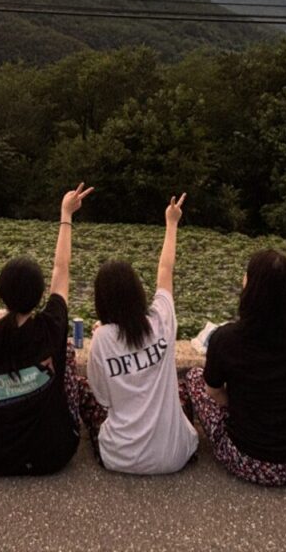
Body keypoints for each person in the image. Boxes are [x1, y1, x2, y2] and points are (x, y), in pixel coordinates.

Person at [185, 185, 286, 486]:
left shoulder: (226, 339)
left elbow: (215, 394)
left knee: (197, 380)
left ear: (250, 292)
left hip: (250, 460)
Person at [0, 183, 95, 476]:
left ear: (2, 295)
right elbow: (62, 270)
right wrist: (66, 215)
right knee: (66, 354)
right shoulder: (53, 326)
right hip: (54, 454)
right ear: (39, 296)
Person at [86, 193, 199, 473]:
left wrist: (104, 334)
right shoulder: (162, 319)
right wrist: (171, 223)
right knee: (184, 391)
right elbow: (165, 270)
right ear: (138, 291)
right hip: (176, 455)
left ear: (101, 301)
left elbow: (102, 399)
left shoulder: (102, 339)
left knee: (88, 405)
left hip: (120, 457)